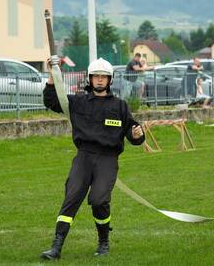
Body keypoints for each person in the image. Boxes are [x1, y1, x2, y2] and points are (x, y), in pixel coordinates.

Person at [41, 57, 145, 260]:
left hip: (107, 159)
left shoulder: (120, 106)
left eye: (103, 77)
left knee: (99, 201)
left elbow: (133, 135)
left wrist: (138, 135)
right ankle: (56, 246)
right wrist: (52, 74)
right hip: (83, 157)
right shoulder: (78, 102)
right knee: (71, 198)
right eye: (96, 76)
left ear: (110, 80)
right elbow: (51, 101)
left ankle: (103, 242)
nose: (99, 80)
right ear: (90, 79)